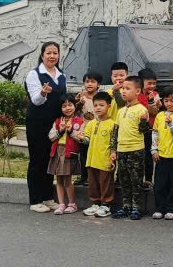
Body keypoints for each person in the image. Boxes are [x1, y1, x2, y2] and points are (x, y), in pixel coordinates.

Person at [24, 42, 66, 213]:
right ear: (42, 55)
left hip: (54, 124)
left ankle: (48, 197)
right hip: (37, 122)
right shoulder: (34, 74)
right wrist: (43, 92)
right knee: (37, 160)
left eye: (55, 53)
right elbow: (35, 100)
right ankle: (35, 200)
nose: (52, 56)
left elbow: (62, 100)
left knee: (50, 159)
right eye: (48, 53)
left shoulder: (61, 75)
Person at [111, 75, 151, 220]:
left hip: (136, 150)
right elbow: (115, 132)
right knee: (124, 180)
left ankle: (137, 207)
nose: (124, 91)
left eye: (128, 88)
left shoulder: (141, 110)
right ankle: (126, 206)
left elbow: (144, 132)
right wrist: (113, 150)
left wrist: (144, 121)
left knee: (136, 180)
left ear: (138, 91)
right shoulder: (120, 111)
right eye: (123, 88)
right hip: (121, 151)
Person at [151, 87, 173, 220]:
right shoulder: (160, 115)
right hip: (161, 155)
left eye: (172, 101)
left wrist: (171, 123)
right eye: (166, 101)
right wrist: (154, 149)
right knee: (160, 184)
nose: (169, 103)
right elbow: (155, 133)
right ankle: (160, 208)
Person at [80, 92, 116, 217]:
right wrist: (80, 137)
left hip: (105, 160)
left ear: (109, 106)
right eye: (95, 105)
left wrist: (113, 156)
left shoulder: (113, 124)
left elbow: (114, 143)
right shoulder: (90, 123)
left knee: (106, 183)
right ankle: (95, 203)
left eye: (101, 105)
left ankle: (106, 205)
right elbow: (87, 140)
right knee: (93, 183)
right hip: (91, 159)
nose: (98, 108)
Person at [47, 98, 84, 215]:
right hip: (57, 151)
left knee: (67, 179)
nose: (67, 108)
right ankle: (61, 204)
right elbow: (51, 136)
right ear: (60, 108)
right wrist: (61, 130)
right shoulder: (58, 121)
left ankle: (72, 204)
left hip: (69, 152)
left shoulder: (79, 121)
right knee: (58, 179)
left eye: (70, 105)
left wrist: (71, 130)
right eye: (64, 106)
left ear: (75, 106)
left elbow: (81, 138)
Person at [74, 71, 104, 186]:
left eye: (93, 82)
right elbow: (74, 111)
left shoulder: (101, 97)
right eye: (87, 81)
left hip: (97, 130)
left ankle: (92, 178)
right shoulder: (80, 96)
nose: (89, 84)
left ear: (99, 84)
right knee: (83, 155)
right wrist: (79, 103)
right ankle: (83, 176)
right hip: (83, 131)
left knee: (94, 155)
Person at [139, 68, 161, 187]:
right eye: (149, 83)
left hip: (150, 129)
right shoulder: (137, 95)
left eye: (154, 83)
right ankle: (138, 179)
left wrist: (154, 101)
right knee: (138, 156)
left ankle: (148, 179)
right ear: (141, 82)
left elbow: (155, 111)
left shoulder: (155, 95)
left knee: (148, 155)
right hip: (137, 130)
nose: (152, 86)